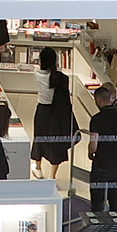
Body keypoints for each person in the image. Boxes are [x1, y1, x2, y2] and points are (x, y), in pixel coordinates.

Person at [87, 84, 117, 219]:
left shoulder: (97, 119)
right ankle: (115, 226)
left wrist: (91, 153)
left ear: (98, 99)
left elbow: (94, 144)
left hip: (102, 163)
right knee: (114, 197)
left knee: (98, 197)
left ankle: (99, 225)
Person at [29, 48, 75, 181]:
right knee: (55, 143)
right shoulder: (60, 78)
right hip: (56, 113)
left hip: (42, 111)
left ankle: (38, 167)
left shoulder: (37, 74)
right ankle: (52, 176)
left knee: (39, 138)